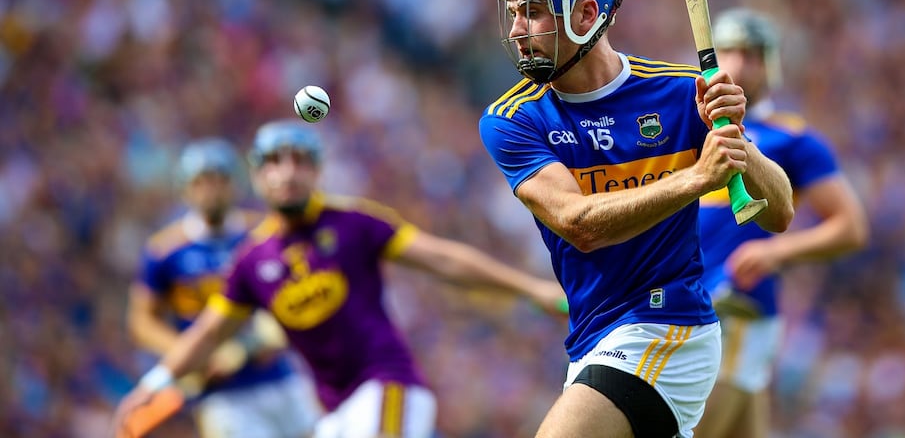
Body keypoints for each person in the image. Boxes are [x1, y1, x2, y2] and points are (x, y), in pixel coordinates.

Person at [478, 0, 795, 438]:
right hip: (593, 335)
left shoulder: (679, 93)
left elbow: (780, 213)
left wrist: (739, 144)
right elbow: (579, 225)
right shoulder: (514, 119)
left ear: (587, 14)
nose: (518, 30)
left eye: (534, 11)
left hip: (668, 323)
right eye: (515, 12)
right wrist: (695, 177)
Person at [114, 120, 568, 438]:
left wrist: (530, 289)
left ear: (316, 170)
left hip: (388, 386)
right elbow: (210, 331)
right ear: (257, 175)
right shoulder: (250, 260)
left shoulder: (353, 223)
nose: (288, 172)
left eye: (300, 161)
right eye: (274, 161)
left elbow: (443, 259)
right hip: (334, 413)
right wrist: (154, 384)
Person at [694, 8, 870, 438]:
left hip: (739, 306)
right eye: (730, 51)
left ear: (770, 64)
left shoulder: (792, 137)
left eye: (752, 54)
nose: (738, 64)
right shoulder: (685, 125)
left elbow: (851, 226)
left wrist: (776, 251)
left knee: (693, 428)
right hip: (686, 304)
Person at [127, 137, 321, 438]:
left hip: (279, 376)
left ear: (236, 184)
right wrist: (189, 353)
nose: (211, 191)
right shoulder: (165, 250)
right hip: (221, 394)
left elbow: (298, 295)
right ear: (186, 189)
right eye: (202, 182)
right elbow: (142, 321)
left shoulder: (264, 233)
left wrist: (261, 341)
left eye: (219, 181)